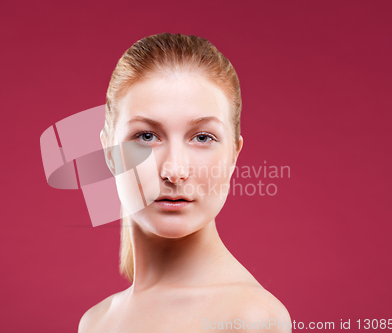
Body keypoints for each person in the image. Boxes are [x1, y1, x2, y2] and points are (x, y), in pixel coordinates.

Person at [78, 33, 291, 333]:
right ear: (109, 154)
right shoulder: (95, 322)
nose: (174, 171)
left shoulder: (250, 319)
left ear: (234, 156)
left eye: (203, 137)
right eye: (146, 136)